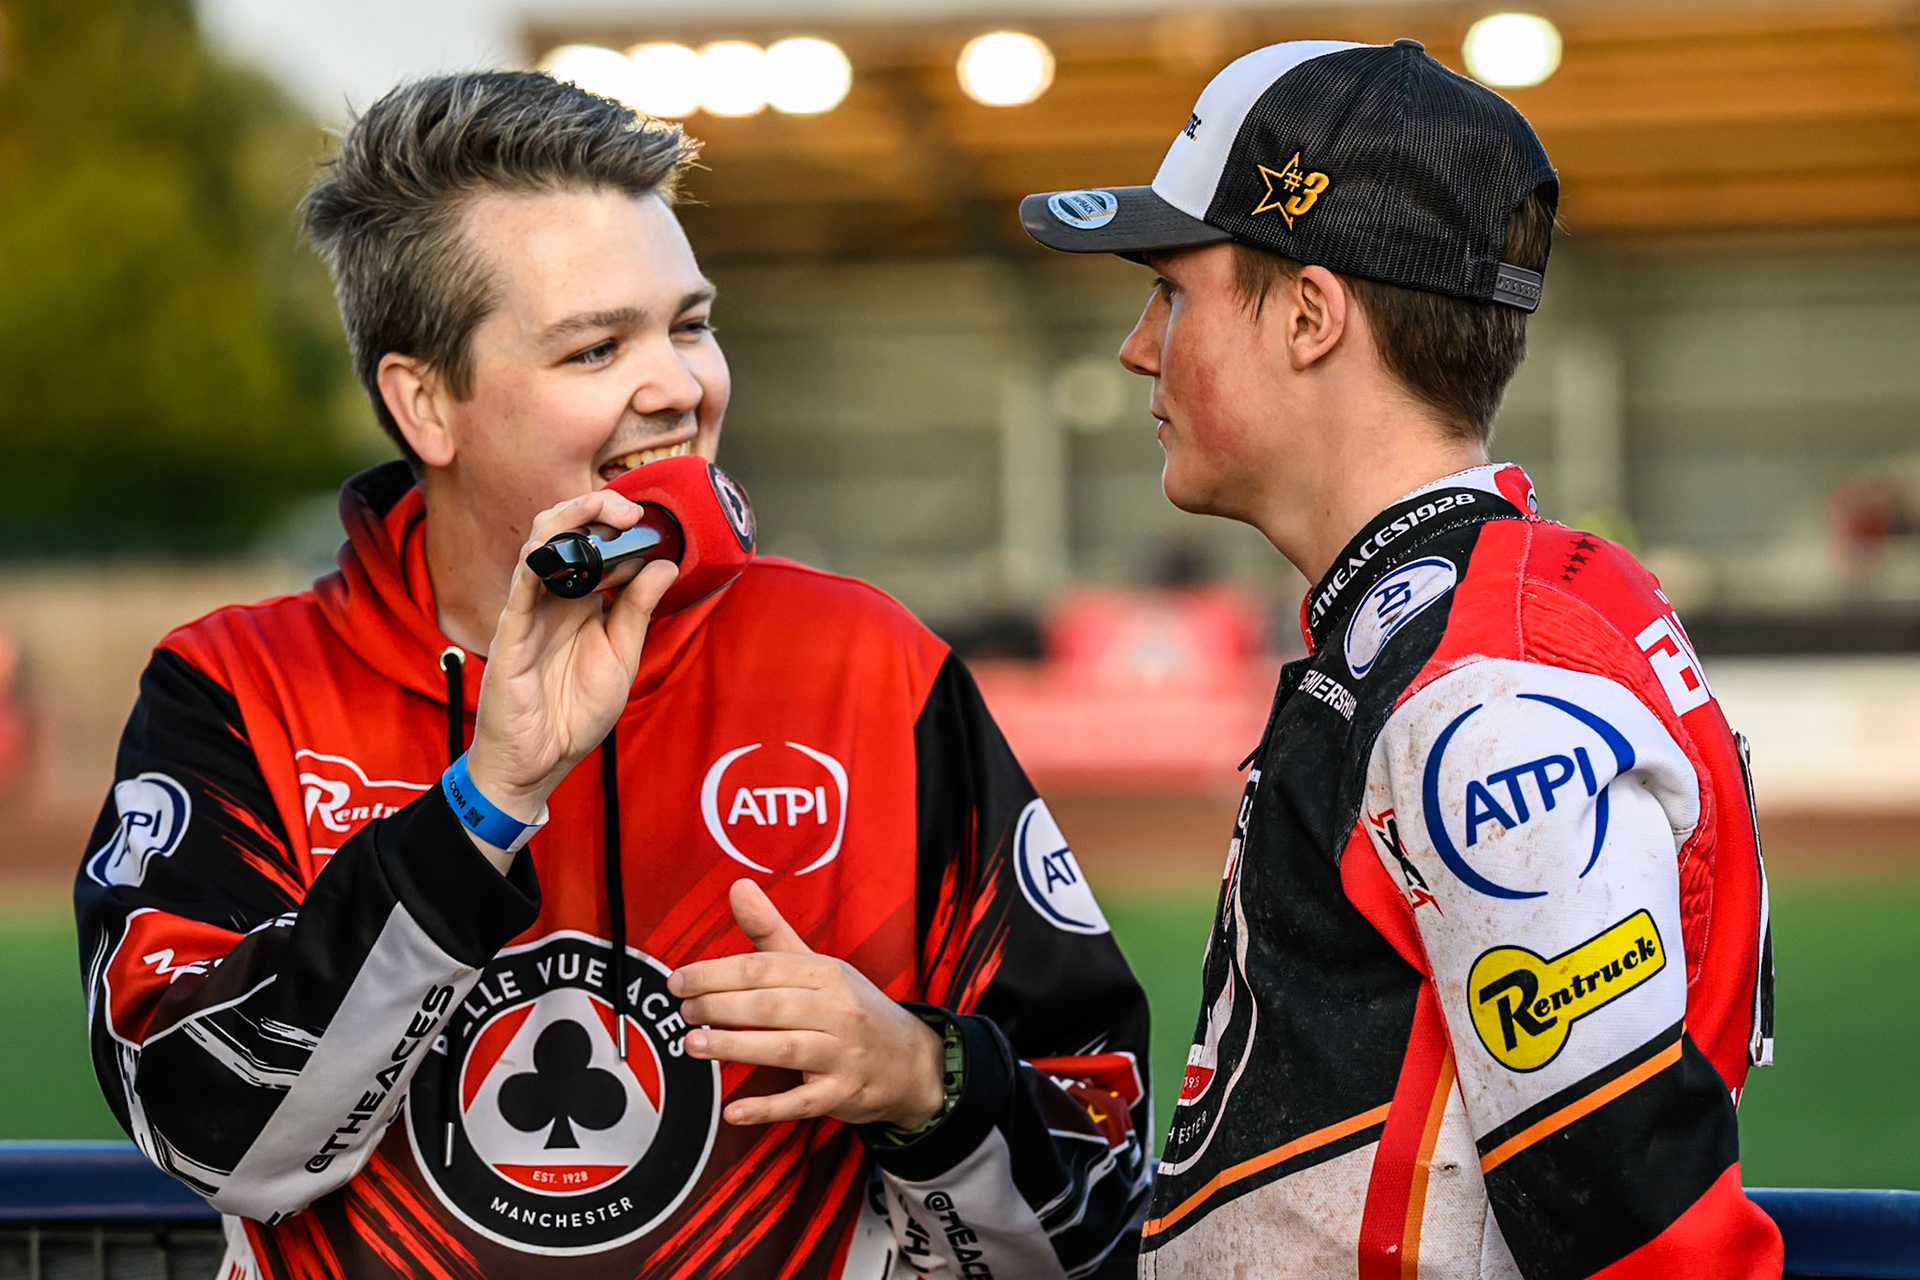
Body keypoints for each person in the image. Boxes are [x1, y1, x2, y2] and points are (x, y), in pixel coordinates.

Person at [75, 71, 1150, 1278]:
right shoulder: (236, 687)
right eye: (597, 346)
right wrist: (483, 803)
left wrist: (922, 1077)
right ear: (425, 403)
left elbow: (1101, 1189)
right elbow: (212, 1135)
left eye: (690, 324)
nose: (680, 388)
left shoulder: (869, 666)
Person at [1021, 38, 1782, 1278]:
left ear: (1312, 316)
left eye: (1171, 288)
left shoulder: (1488, 696)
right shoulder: (1438, 633)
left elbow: (1652, 1243)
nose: (1136, 344)